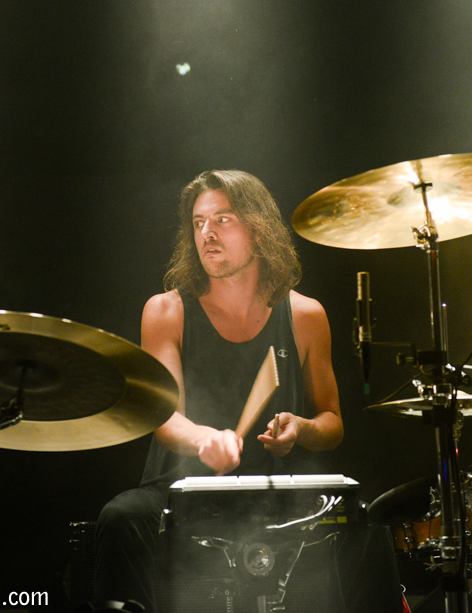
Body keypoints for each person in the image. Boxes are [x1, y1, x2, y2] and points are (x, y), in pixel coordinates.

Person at [92, 170, 400, 612]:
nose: (207, 233)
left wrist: (301, 429)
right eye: (198, 223)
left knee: (368, 525)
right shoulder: (166, 311)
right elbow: (165, 418)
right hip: (184, 484)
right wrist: (205, 440)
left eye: (223, 219)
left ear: (258, 227)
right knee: (120, 517)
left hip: (280, 487)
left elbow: (332, 423)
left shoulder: (305, 314)